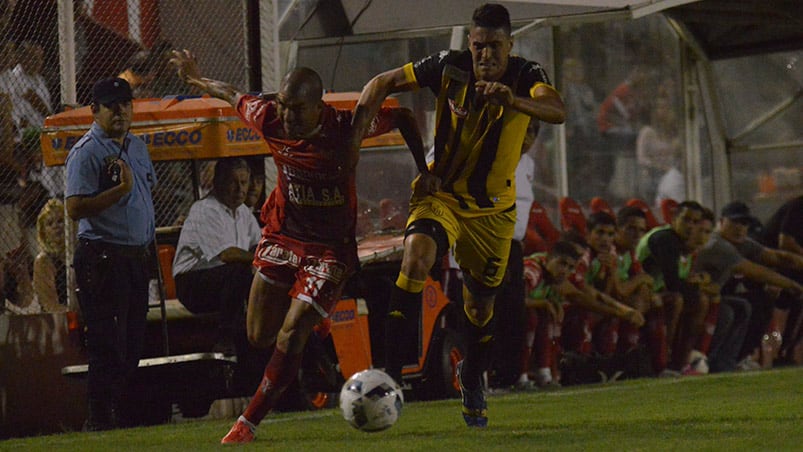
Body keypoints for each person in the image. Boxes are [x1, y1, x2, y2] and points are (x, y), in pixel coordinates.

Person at [170, 49, 426, 444]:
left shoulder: (344, 127)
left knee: (290, 334)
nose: (286, 116)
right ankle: (312, 336)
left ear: (318, 107)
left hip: (328, 250)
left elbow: (405, 116)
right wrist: (196, 78)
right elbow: (230, 93)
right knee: (258, 335)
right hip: (282, 236)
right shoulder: (269, 117)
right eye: (283, 106)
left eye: (296, 109)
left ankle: (247, 423)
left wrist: (426, 172)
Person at [356, 3, 566, 427]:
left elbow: (558, 110)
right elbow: (383, 81)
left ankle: (472, 377)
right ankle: (389, 378)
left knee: (479, 308)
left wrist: (516, 101)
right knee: (416, 255)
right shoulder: (447, 67)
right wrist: (355, 133)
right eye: (478, 46)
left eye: (494, 47)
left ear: (510, 45)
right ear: (469, 43)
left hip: (492, 212)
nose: (485, 55)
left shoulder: (527, 75)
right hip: (443, 195)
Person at [65, 77, 157, 430]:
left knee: (133, 341)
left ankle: (122, 412)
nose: (120, 111)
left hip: (135, 256)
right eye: (111, 105)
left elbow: (146, 193)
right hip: (103, 257)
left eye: (125, 104)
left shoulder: (137, 147)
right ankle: (100, 418)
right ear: (95, 110)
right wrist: (119, 192)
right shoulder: (86, 151)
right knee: (108, 343)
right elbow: (74, 208)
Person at [696, 201, 803, 370]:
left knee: (756, 302)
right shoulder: (718, 244)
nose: (740, 228)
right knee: (730, 311)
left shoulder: (743, 243)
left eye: (744, 223)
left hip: (717, 297)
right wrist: (792, 285)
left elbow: (778, 257)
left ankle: (735, 359)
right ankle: (709, 360)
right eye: (735, 222)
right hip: (699, 297)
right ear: (721, 222)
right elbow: (754, 271)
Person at [172, 157, 261, 355]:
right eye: (233, 182)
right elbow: (227, 254)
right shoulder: (205, 210)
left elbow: (258, 245)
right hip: (192, 284)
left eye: (244, 182)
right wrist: (260, 260)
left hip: (226, 281)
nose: (240, 189)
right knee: (239, 271)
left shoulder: (244, 212)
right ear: (218, 182)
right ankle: (225, 338)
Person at [636, 200, 705, 372]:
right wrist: (697, 285)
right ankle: (663, 361)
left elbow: (682, 280)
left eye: (695, 222)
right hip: (640, 294)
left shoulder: (683, 245)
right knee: (676, 300)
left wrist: (699, 283)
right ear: (674, 219)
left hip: (657, 293)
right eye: (686, 220)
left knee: (700, 300)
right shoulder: (664, 239)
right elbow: (673, 283)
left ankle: (681, 363)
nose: (690, 226)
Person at [32, 198, 69, 313]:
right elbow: (50, 304)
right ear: (43, 232)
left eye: (60, 221)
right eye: (49, 223)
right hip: (60, 321)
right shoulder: (44, 261)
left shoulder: (76, 254)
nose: (56, 226)